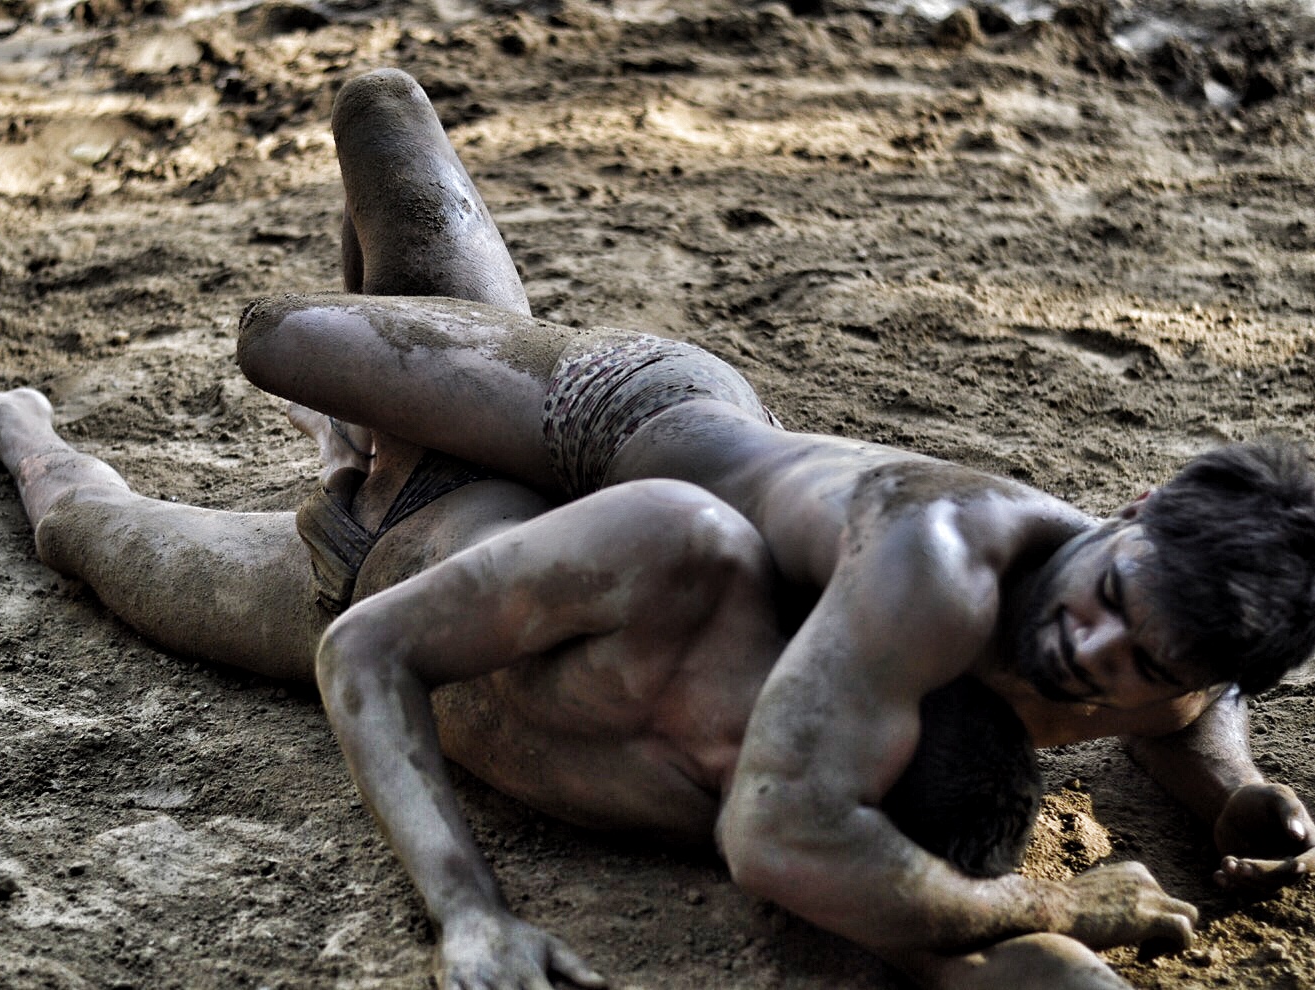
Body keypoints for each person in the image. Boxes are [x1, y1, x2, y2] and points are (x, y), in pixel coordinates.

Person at [0, 65, 1046, 990]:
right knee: (381, 108)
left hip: (336, 591)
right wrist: (467, 910)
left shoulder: (803, 830)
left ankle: (12, 420)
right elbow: (366, 659)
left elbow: (989, 947)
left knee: (76, 531)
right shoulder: (685, 559)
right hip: (446, 479)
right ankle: (349, 409)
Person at [233, 68, 1315, 988]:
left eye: (1142, 660)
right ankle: (350, 448)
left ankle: (376, 470)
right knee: (278, 338)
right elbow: (782, 836)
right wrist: (1061, 907)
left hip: (614, 569)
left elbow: (1195, 706)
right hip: (629, 421)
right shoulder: (936, 559)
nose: (1091, 648)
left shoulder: (1178, 654)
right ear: (1133, 511)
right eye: (1109, 596)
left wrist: (1236, 791)